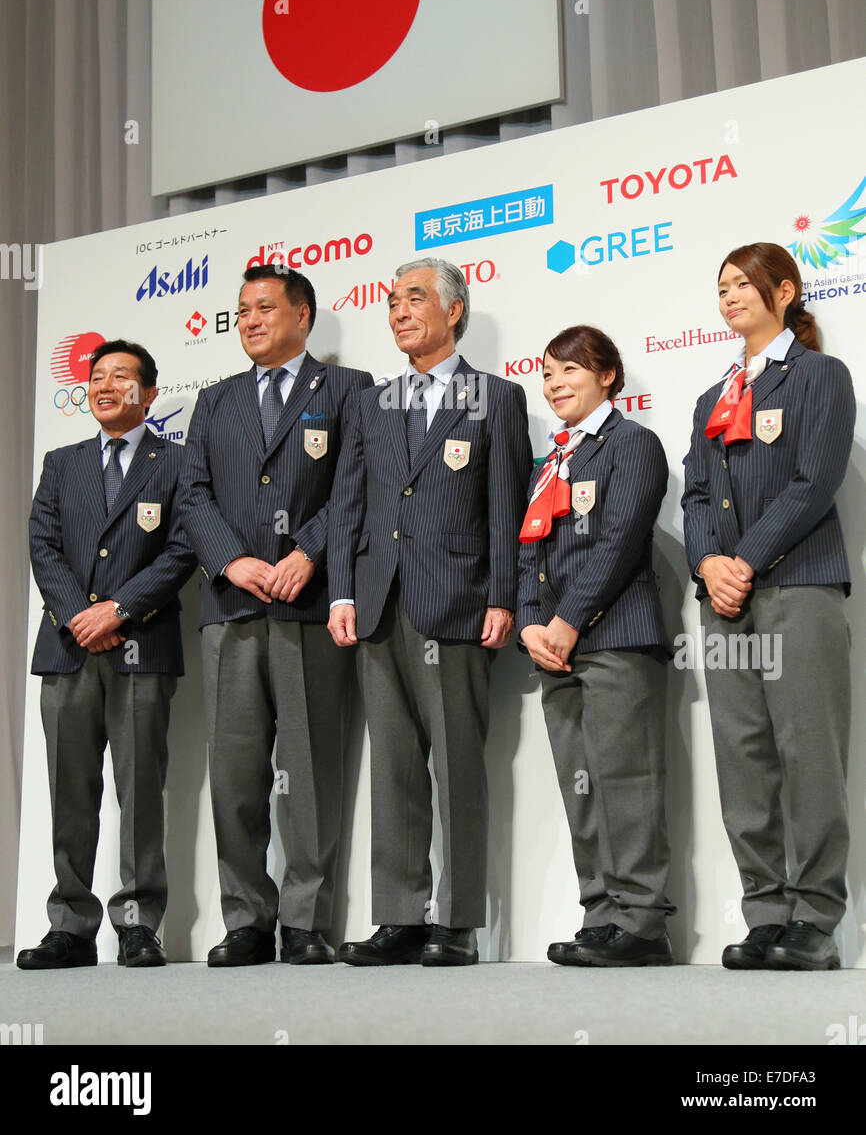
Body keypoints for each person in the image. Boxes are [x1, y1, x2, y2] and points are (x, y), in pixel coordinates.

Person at [328, 257, 532, 966]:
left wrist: (504, 595)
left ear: (454, 311)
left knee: (458, 766)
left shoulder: (495, 399)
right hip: (380, 603)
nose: (398, 312)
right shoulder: (369, 405)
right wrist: (343, 591)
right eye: (390, 302)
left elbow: (507, 507)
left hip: (459, 603)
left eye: (413, 298)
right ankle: (398, 916)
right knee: (394, 770)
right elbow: (347, 504)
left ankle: (458, 920)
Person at [179, 264, 372, 966]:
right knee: (234, 771)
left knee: (310, 767)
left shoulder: (349, 390)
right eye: (241, 312)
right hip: (230, 607)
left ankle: (307, 920)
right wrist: (233, 561)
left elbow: (355, 487)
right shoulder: (215, 400)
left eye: (264, 308)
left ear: (302, 316)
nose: (251, 320)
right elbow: (192, 494)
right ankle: (246, 920)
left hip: (311, 604)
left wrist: (308, 553)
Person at [682, 242, 855, 970]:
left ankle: (814, 919)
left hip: (798, 587)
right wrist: (707, 562)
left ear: (784, 292)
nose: (729, 296)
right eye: (720, 286)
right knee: (743, 756)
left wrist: (743, 561)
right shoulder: (712, 395)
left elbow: (814, 483)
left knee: (806, 752)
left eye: (743, 284)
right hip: (724, 603)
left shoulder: (820, 377)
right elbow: (693, 496)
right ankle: (766, 913)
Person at [17, 341, 196, 970]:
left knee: (141, 790)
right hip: (68, 649)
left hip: (141, 645)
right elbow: (43, 546)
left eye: (122, 377)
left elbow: (182, 551)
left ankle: (139, 923)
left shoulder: (175, 462)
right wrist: (80, 615)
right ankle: (70, 925)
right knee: (71, 792)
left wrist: (118, 610)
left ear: (148, 394)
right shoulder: (60, 463)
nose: (105, 385)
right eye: (97, 377)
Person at [517, 325, 676, 966]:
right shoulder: (548, 461)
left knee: (626, 782)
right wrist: (532, 620)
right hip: (554, 647)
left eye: (569, 370)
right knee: (580, 786)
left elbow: (618, 542)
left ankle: (642, 924)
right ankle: (602, 915)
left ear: (606, 375)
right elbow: (527, 548)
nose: (555, 383)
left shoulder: (633, 444)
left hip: (615, 638)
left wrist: (568, 619)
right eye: (547, 373)